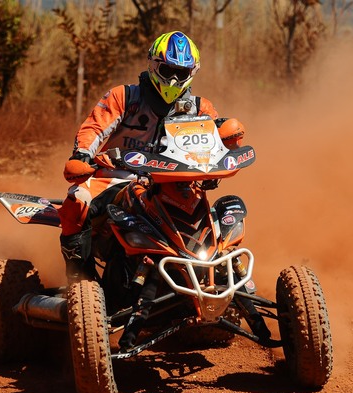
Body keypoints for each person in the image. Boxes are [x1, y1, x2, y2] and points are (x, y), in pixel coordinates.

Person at [58, 31, 261, 350]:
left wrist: (225, 142)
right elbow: (94, 129)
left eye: (181, 73)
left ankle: (223, 286)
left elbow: (216, 139)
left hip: (178, 183)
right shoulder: (124, 97)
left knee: (222, 226)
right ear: (153, 65)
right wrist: (83, 154)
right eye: (167, 69)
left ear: (191, 73)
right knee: (76, 201)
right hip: (119, 176)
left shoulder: (199, 107)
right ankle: (83, 288)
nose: (173, 77)